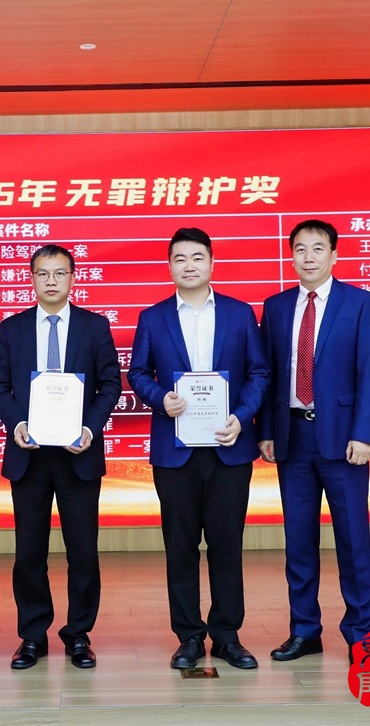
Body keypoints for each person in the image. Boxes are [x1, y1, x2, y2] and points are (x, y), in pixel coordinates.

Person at [128, 228, 268, 670]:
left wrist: (241, 417)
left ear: (211, 263)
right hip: (175, 450)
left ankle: (227, 636)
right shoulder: (153, 317)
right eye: (180, 259)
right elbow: (137, 372)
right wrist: (159, 398)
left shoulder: (239, 313)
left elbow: (259, 373)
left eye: (197, 257)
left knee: (227, 546)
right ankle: (188, 636)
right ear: (170, 266)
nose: (189, 266)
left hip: (229, 447)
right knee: (180, 546)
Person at [0, 244, 122, 670]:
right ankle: (32, 636)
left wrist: (89, 429)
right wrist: (16, 423)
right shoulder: (12, 328)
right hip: (28, 455)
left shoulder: (94, 326)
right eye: (43, 273)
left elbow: (110, 385)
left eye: (59, 273)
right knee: (29, 552)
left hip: (77, 454)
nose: (51, 280)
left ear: (72, 277)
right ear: (32, 278)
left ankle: (78, 633)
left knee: (83, 551)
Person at [257, 219, 370, 666]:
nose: (308, 257)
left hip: (344, 440)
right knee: (299, 542)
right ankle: (305, 630)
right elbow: (268, 375)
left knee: (353, 540)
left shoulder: (359, 303)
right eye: (300, 249)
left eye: (317, 248)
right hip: (292, 437)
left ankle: (361, 634)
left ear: (334, 255)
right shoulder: (275, 307)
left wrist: (364, 434)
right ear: (291, 255)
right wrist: (265, 430)